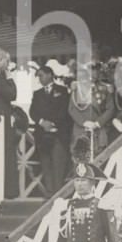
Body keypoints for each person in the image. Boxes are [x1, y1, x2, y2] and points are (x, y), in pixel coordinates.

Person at [30, 65, 72, 195]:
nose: (39, 79)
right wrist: (42, 122)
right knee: (46, 166)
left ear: (49, 75)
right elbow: (32, 112)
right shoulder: (37, 94)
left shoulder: (63, 91)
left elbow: (65, 110)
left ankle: (58, 197)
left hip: (58, 135)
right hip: (42, 136)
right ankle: (49, 195)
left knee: (58, 167)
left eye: (41, 75)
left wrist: (52, 123)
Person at [69, 63, 115, 157]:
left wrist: (98, 123)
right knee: (81, 159)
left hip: (99, 130)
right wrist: (84, 122)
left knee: (100, 159)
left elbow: (110, 109)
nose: (96, 72)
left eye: (97, 69)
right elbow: (72, 108)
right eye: (92, 69)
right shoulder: (79, 88)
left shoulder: (106, 88)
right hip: (81, 129)